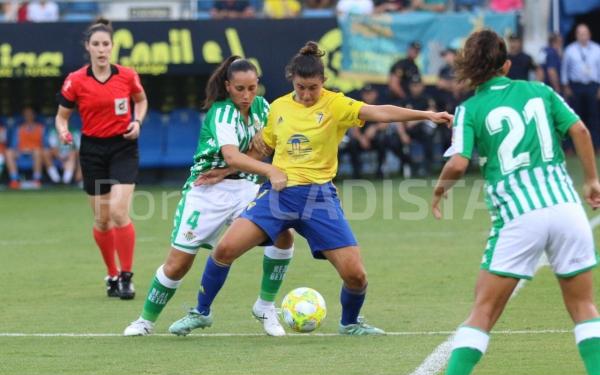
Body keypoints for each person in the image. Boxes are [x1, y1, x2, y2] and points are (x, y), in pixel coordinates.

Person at [168, 41, 452, 337]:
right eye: (301, 87)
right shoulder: (278, 107)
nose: (306, 94)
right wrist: (226, 171)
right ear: (292, 80)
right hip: (278, 195)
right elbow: (260, 149)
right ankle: (201, 312)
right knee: (225, 249)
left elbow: (379, 111)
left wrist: (427, 115)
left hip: (320, 199)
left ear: (323, 83)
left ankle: (350, 323)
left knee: (356, 275)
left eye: (313, 88)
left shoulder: (336, 104)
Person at [431, 30, 600, 375]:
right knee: (584, 307)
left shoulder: (469, 109)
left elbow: (458, 164)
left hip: (520, 216)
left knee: (483, 310)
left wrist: (439, 190)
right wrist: (591, 180)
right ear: (507, 65)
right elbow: (581, 130)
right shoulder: (541, 91)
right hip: (566, 208)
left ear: (468, 70)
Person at [123, 56, 295, 337]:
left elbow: (258, 150)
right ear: (228, 86)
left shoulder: (263, 108)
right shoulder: (221, 113)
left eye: (252, 88)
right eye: (240, 88)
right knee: (178, 264)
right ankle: (145, 320)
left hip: (246, 188)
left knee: (283, 234)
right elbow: (232, 154)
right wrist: (270, 170)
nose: (246, 95)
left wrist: (229, 170)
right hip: (206, 193)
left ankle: (265, 306)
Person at [55, 18, 148, 300]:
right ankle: (112, 272)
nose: (101, 49)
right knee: (102, 220)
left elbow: (141, 101)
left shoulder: (127, 76)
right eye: (96, 44)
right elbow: (62, 117)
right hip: (92, 151)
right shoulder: (75, 80)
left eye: (105, 44)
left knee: (120, 212)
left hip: (123, 147)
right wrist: (63, 132)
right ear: (88, 47)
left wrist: (138, 122)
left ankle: (127, 277)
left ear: (112, 47)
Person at [562, 24, 600, 148]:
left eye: (585, 33)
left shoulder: (597, 49)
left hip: (592, 86)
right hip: (576, 86)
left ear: (589, 35)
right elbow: (564, 69)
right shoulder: (570, 50)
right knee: (574, 117)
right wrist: (566, 86)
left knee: (593, 116)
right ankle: (573, 146)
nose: (583, 36)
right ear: (576, 35)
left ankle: (595, 145)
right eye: (580, 33)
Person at [6, 106, 45, 189]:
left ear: (34, 115)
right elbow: (14, 144)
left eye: (30, 114)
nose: (28, 116)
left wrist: (32, 150)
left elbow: (45, 144)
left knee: (37, 151)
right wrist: (18, 150)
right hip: (21, 153)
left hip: (35, 152)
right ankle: (14, 180)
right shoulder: (19, 128)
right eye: (26, 115)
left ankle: (37, 180)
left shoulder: (41, 128)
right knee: (9, 152)